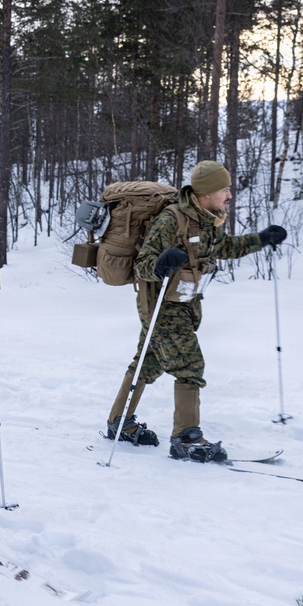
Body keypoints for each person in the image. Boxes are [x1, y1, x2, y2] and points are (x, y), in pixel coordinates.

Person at [105, 160, 287, 463]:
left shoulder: (207, 219)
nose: (229, 194)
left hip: (183, 304)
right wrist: (162, 262)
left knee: (146, 363)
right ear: (205, 193)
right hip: (162, 306)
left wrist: (262, 239)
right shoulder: (170, 220)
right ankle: (186, 438)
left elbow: (224, 248)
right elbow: (142, 266)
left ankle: (119, 424)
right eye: (224, 189)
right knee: (190, 367)